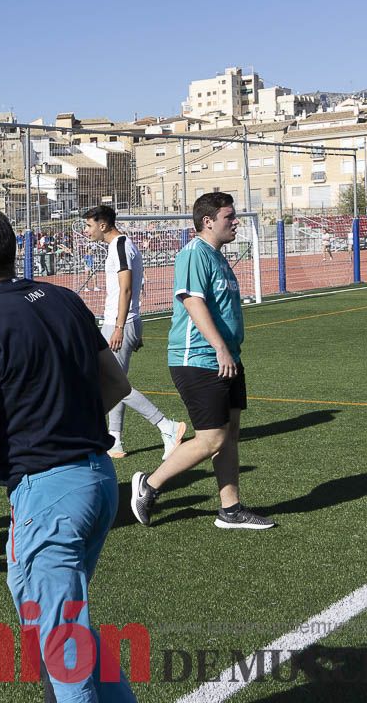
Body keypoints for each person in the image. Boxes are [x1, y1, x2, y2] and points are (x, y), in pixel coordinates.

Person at [0, 205, 136, 703]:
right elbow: (114, 384)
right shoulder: (62, 299)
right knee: (62, 628)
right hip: (96, 482)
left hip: (49, 499)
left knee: (62, 650)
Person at [131, 193, 276, 530]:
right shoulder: (195, 254)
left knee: (230, 434)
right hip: (198, 358)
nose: (236, 222)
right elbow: (194, 303)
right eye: (230, 216)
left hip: (227, 359)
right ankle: (148, 486)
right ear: (208, 221)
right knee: (211, 438)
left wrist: (229, 352)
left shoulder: (219, 257)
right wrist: (220, 348)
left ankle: (230, 510)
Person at [82, 205, 187, 460]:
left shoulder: (120, 246)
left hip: (120, 323)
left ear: (103, 225)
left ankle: (166, 426)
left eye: (89, 225)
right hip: (125, 321)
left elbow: (127, 289)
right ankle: (115, 439)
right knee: (115, 381)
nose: (86, 231)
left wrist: (119, 327)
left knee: (113, 383)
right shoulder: (120, 246)